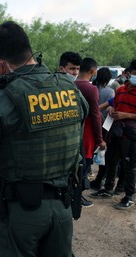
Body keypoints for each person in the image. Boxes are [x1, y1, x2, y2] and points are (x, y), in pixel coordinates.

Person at [0, 21, 88, 257]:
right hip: (63, 209)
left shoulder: (1, 99)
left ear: (0, 64)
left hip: (20, 214)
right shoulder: (71, 90)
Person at [91, 59, 136, 209]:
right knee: (111, 161)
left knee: (129, 165)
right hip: (115, 130)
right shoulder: (121, 90)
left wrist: (126, 115)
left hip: (130, 132)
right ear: (129, 74)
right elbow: (115, 104)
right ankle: (108, 189)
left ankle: (129, 196)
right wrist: (111, 109)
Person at [57, 52, 94, 208]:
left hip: (74, 138)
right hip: (60, 139)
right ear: (61, 68)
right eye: (71, 69)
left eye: (77, 69)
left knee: (75, 171)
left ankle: (74, 196)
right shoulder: (53, 86)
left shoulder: (74, 87)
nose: (75, 73)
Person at [74, 58, 106, 205]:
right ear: (92, 70)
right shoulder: (91, 89)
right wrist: (100, 140)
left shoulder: (70, 84)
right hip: (86, 135)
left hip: (73, 133)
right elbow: (95, 116)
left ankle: (74, 195)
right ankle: (77, 197)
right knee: (84, 166)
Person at [89, 67, 116, 190]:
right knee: (102, 153)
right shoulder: (110, 92)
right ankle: (99, 179)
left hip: (89, 124)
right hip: (104, 126)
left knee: (89, 151)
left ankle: (87, 174)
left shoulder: (91, 89)